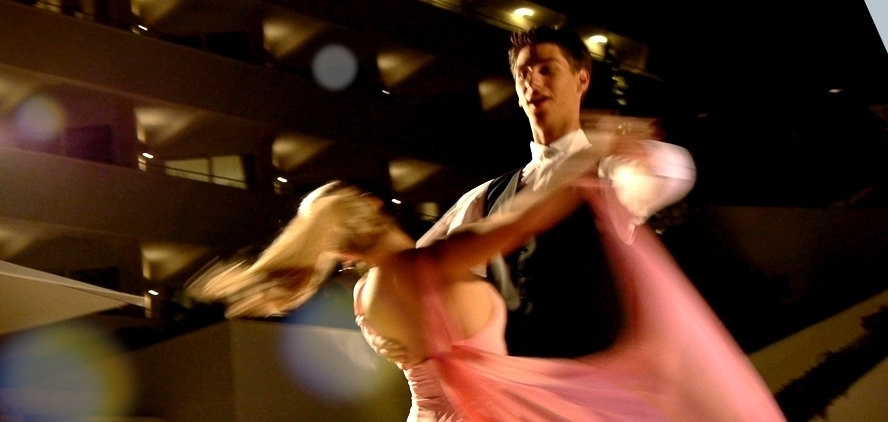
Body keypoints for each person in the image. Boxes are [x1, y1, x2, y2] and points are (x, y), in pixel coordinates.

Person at [185, 142, 785, 420]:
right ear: (373, 206)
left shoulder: (369, 295)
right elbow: (521, 219)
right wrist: (593, 155)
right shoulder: (431, 265)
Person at [407, 25, 696, 360]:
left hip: (593, 377)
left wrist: (631, 151)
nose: (533, 80)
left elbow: (672, 171)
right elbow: (420, 260)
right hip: (517, 379)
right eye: (523, 73)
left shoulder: (610, 171)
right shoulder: (489, 194)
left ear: (581, 80)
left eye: (547, 69)